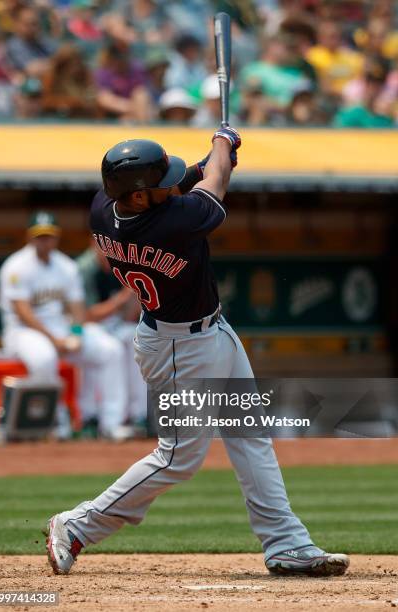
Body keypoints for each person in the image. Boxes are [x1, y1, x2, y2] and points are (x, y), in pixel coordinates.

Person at [46, 129, 350, 578]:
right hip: (177, 347)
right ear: (140, 197)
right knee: (177, 457)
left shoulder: (103, 208)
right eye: (159, 185)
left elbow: (183, 183)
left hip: (208, 334)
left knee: (249, 437)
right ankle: (77, 524)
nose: (171, 185)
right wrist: (222, 144)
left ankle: (286, 543)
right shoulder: (177, 221)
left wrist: (212, 159)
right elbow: (213, 187)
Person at [0, 211, 129, 440]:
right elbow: (23, 312)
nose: (44, 240)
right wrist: (54, 338)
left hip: (59, 327)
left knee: (110, 350)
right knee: (44, 358)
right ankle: (56, 423)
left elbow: (77, 307)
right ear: (30, 238)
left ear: (57, 237)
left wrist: (76, 333)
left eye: (48, 236)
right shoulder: (16, 266)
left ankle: (110, 423)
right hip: (23, 332)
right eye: (39, 236)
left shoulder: (66, 266)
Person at [77, 241, 147, 434]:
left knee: (137, 339)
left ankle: (138, 414)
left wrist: (134, 295)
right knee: (108, 348)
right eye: (104, 246)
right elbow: (86, 315)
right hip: (87, 327)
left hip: (114, 323)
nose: (109, 251)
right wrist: (122, 298)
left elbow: (130, 315)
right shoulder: (84, 268)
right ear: (94, 245)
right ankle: (95, 417)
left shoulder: (124, 264)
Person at [5, 5, 57, 81]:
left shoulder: (42, 41)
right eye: (28, 24)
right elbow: (32, 69)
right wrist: (55, 63)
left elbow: (60, 56)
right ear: (17, 24)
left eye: (35, 24)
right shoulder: (14, 45)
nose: (33, 28)